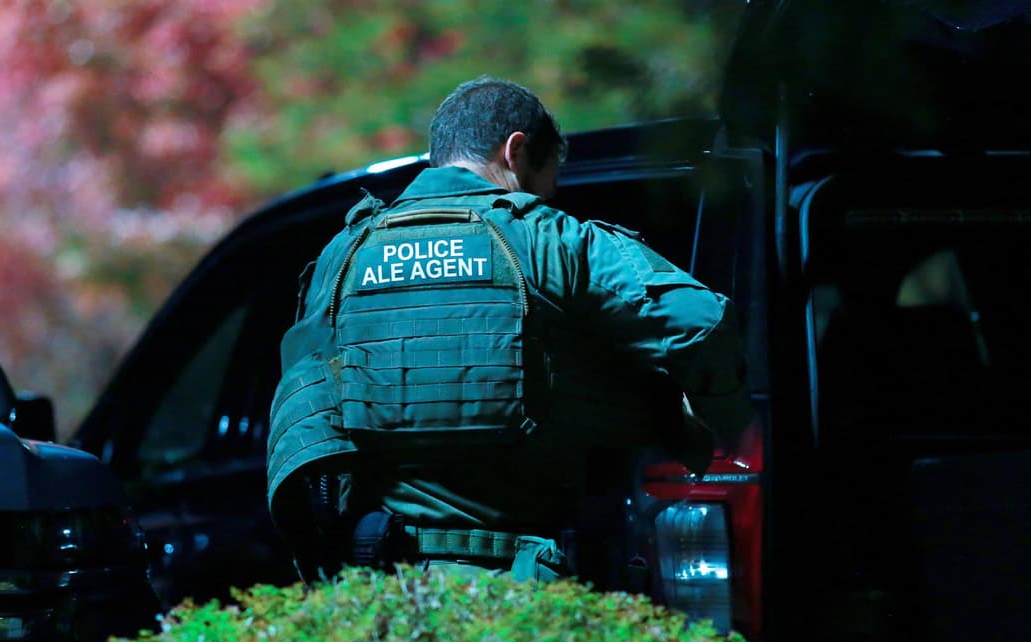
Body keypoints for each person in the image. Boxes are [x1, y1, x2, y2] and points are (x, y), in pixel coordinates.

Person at [267, 77, 748, 583]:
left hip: (379, 589)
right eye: (550, 179)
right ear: (515, 150)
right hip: (520, 588)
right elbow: (701, 321)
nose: (549, 195)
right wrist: (720, 426)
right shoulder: (549, 240)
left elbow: (309, 407)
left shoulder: (344, 255)